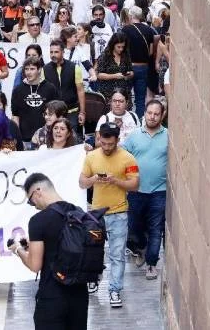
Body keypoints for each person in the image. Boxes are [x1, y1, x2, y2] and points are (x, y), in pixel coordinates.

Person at [10, 172, 89, 330]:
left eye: (32, 202)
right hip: (79, 295)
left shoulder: (38, 220)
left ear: (38, 192)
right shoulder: (79, 213)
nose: (35, 206)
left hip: (52, 295)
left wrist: (18, 250)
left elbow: (35, 265)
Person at [79, 122, 139, 307]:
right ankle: (93, 279)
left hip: (119, 212)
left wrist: (116, 181)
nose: (106, 147)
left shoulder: (128, 159)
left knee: (117, 254)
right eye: (103, 143)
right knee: (94, 252)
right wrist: (93, 179)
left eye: (110, 144)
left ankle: (114, 290)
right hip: (96, 214)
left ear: (117, 140)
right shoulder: (91, 157)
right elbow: (82, 182)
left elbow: (135, 185)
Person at [121, 100, 167, 280]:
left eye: (156, 114)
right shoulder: (134, 136)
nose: (152, 117)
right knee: (134, 227)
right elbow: (121, 156)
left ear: (162, 115)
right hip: (136, 190)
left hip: (159, 191)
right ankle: (140, 247)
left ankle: (151, 264)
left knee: (156, 228)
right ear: (144, 113)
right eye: (149, 113)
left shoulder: (168, 136)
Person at [11, 57, 59, 144]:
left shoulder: (50, 88)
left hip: (46, 138)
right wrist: (16, 136)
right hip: (24, 139)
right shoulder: (18, 90)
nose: (28, 72)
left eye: (32, 69)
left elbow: (56, 115)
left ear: (39, 69)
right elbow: (15, 116)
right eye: (26, 69)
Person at [44, 40, 86, 136]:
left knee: (73, 139)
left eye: (56, 52)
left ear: (63, 52)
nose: (53, 55)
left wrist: (82, 112)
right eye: (51, 52)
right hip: (53, 113)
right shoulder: (45, 69)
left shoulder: (74, 68)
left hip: (72, 111)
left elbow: (80, 91)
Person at [120, 6, 155, 117]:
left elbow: (121, 49)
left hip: (129, 67)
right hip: (143, 67)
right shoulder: (149, 30)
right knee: (140, 100)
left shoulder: (126, 29)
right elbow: (151, 51)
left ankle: (126, 120)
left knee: (124, 96)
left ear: (130, 16)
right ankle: (139, 122)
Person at [95, 33, 134, 106]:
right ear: (113, 45)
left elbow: (131, 70)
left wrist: (129, 75)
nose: (121, 49)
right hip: (108, 93)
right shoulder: (105, 56)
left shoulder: (125, 55)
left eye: (123, 47)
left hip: (123, 92)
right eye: (118, 47)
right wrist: (114, 76)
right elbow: (99, 74)